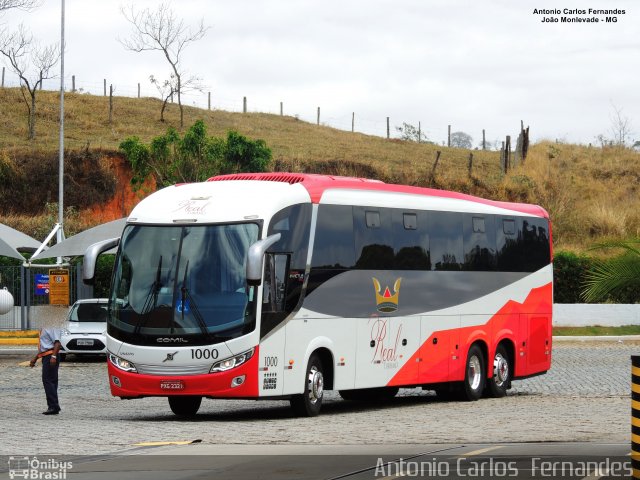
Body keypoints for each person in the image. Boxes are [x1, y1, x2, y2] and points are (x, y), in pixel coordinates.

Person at [29, 327, 63, 415]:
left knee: (48, 381)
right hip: (47, 356)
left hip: (51, 356)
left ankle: (53, 407)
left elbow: (57, 343)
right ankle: (53, 406)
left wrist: (54, 356)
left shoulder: (52, 326)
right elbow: (44, 347)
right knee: (51, 381)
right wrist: (35, 358)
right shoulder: (44, 327)